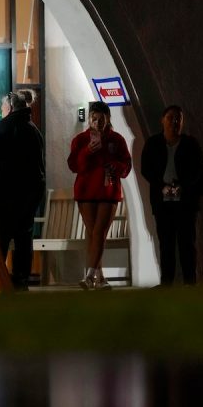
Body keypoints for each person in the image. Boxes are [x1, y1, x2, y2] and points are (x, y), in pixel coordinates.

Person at [0, 91, 45, 290]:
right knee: (23, 239)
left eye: (2, 108)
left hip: (6, 192)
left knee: (0, 239)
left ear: (9, 108)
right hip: (29, 194)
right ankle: (21, 280)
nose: (1, 112)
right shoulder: (33, 129)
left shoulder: (4, 127)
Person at [67, 101, 132, 290]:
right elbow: (73, 165)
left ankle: (89, 276)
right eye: (94, 119)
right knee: (94, 234)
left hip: (108, 191)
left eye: (101, 119)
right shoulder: (80, 140)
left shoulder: (117, 140)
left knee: (99, 232)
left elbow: (126, 165)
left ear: (108, 119)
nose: (98, 122)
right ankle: (100, 277)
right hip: (86, 191)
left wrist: (114, 165)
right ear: (89, 119)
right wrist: (87, 151)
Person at [141, 105, 203, 286]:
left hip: (185, 201)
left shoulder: (190, 143)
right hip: (162, 202)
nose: (175, 122)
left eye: (179, 118)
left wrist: (183, 186)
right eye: (171, 118)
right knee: (166, 242)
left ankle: (189, 281)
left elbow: (197, 169)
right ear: (162, 120)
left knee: (187, 242)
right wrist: (161, 186)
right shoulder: (153, 143)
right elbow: (146, 168)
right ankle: (166, 281)